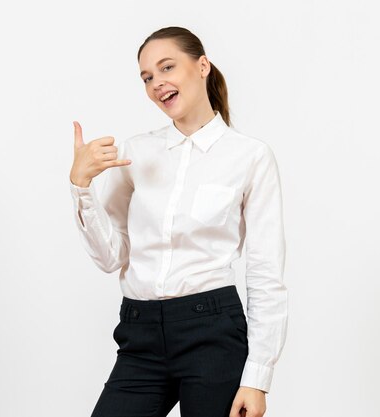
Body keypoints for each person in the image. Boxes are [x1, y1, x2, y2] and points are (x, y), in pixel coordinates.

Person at [69, 26, 288, 417]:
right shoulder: (136, 152)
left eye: (167, 67)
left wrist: (257, 378)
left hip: (213, 334)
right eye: (147, 77)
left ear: (202, 66)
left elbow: (265, 272)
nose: (157, 83)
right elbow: (110, 257)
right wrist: (81, 186)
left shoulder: (250, 157)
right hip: (140, 333)